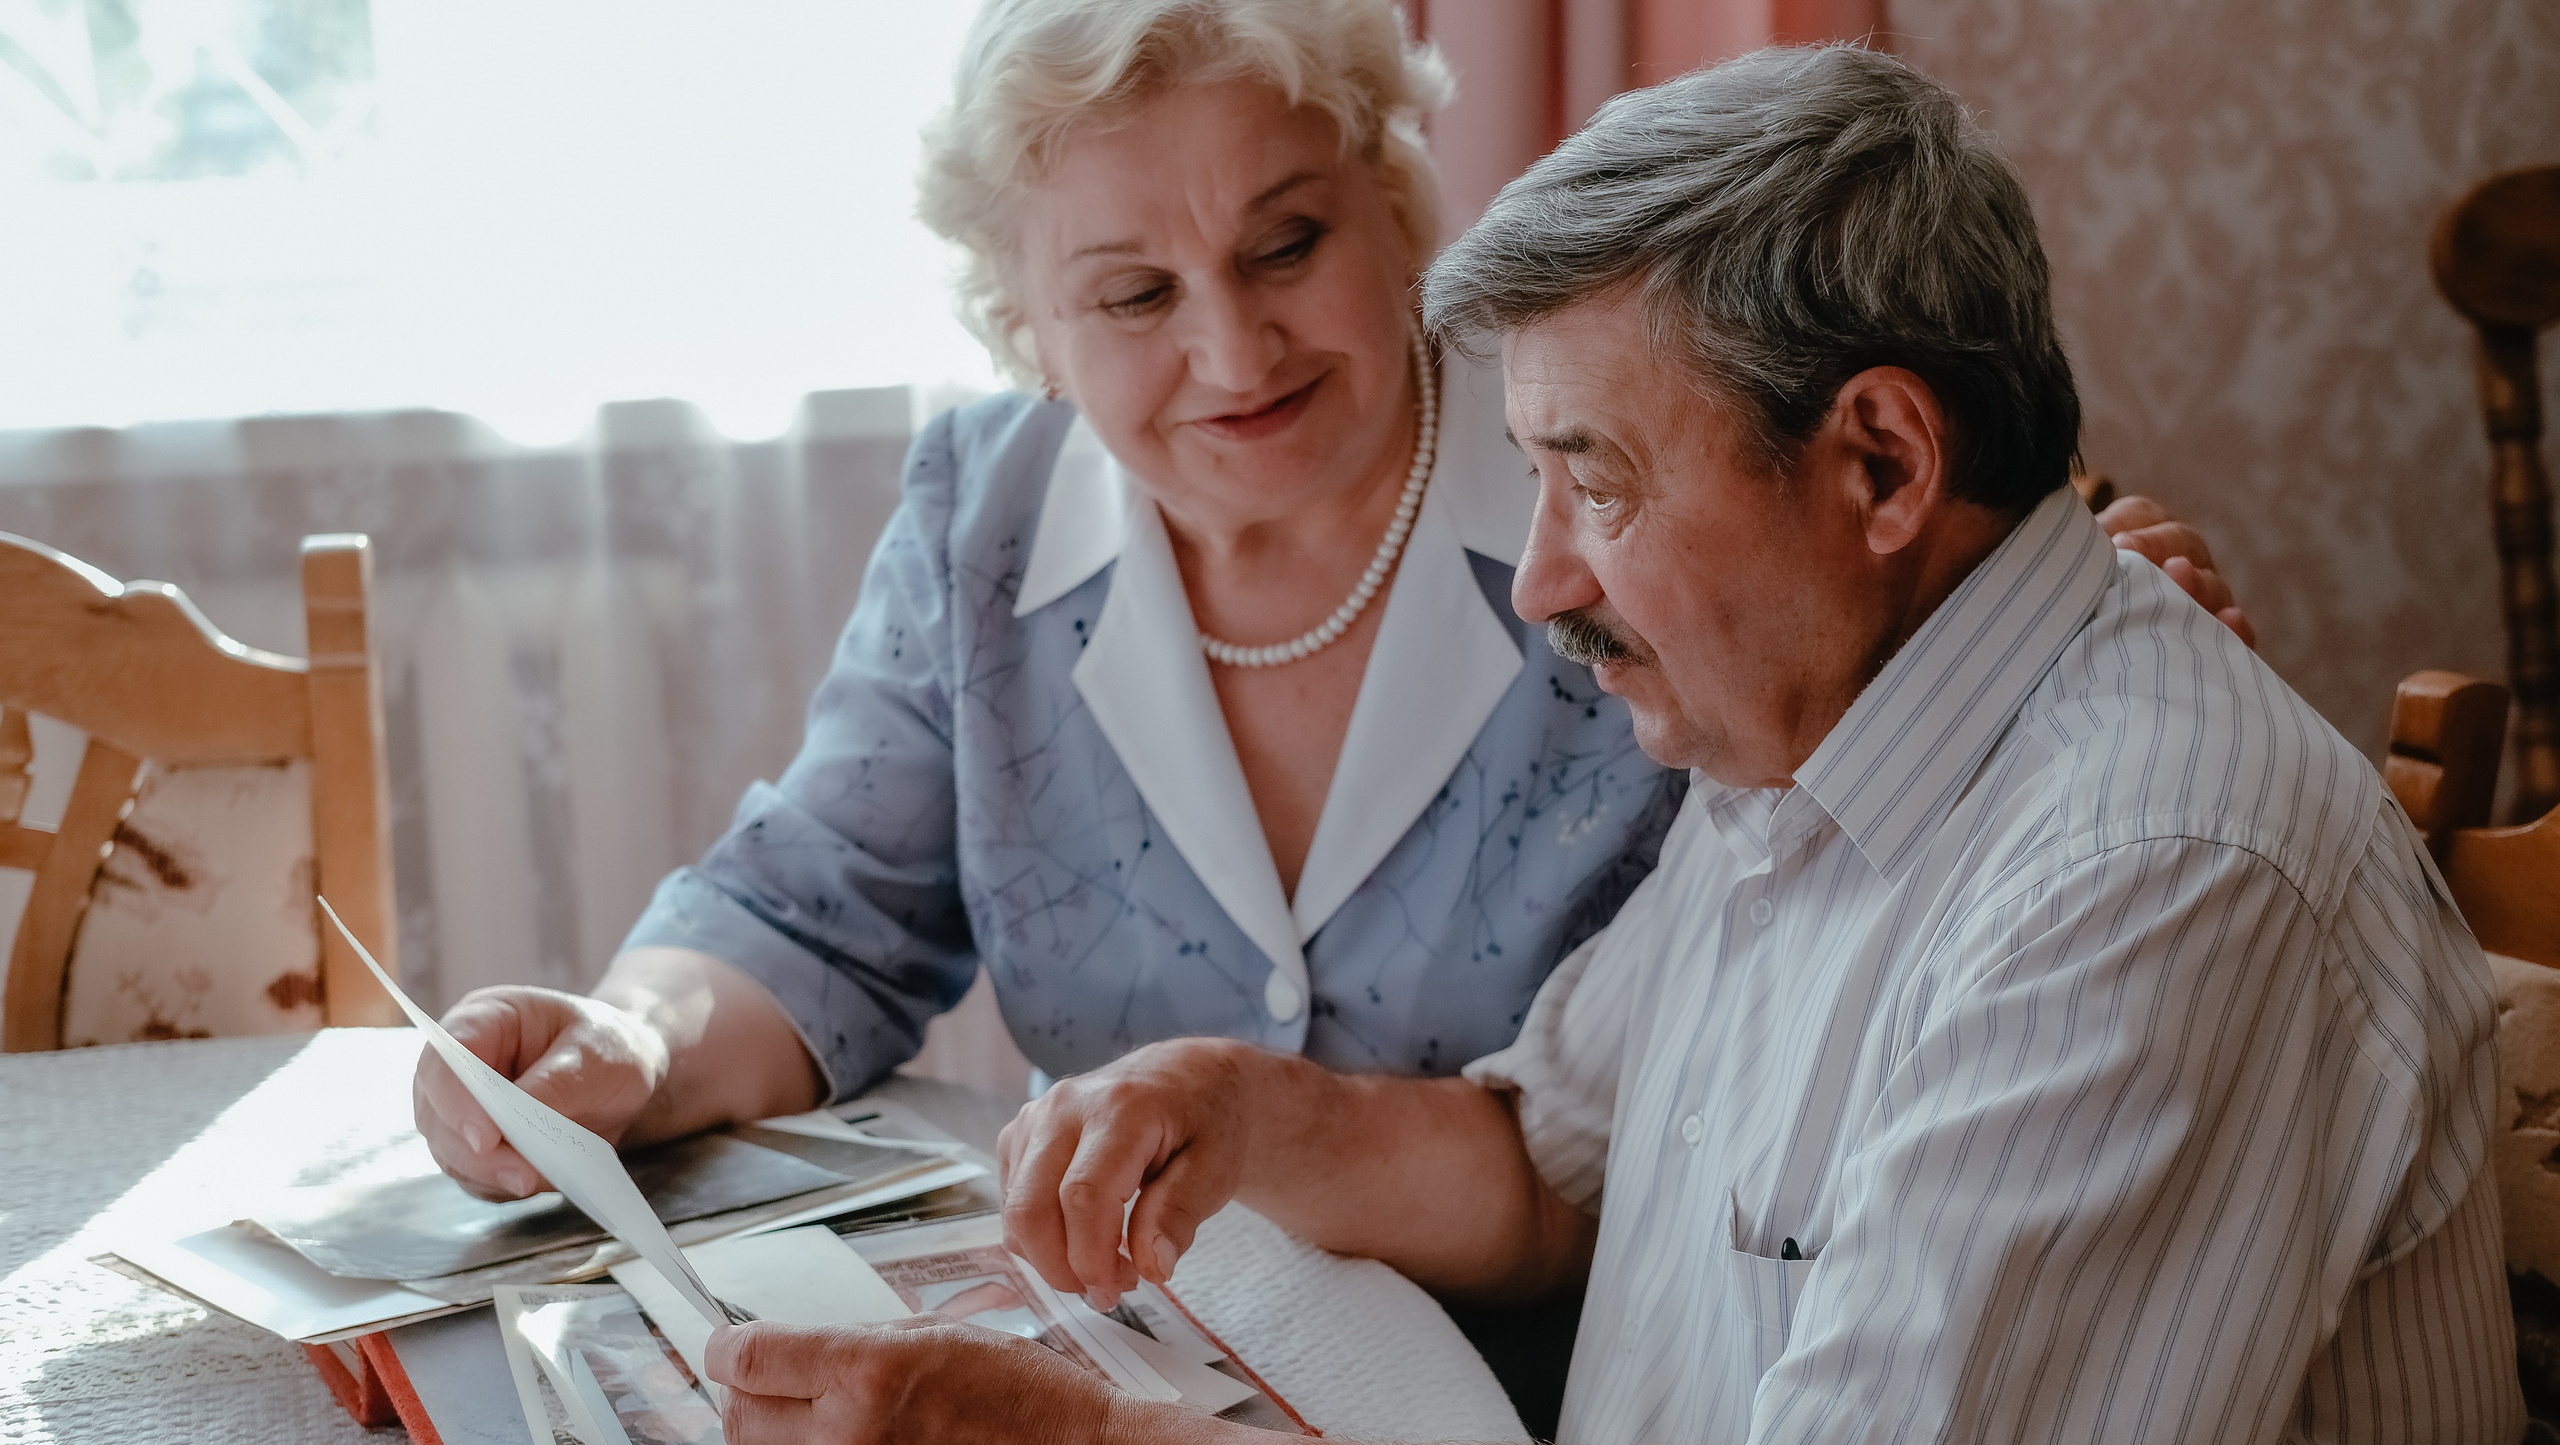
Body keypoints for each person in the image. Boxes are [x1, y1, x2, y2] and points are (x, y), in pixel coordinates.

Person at [705, 45, 2549, 1445]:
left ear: (1883, 460)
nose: (1544, 581)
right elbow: (1545, 1169)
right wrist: (1235, 1110)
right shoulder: (1802, 727)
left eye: (1595, 482)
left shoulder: (2151, 864)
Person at [410, 0, 2244, 1223]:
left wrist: (2060, 617)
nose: (1234, 349)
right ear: (1022, 323)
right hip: (1164, 1371)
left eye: (1286, 245)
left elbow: (1931, 630)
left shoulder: (1624, 489)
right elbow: (814, 910)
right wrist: (631, 1042)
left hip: (1595, 1391)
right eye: (1131, 295)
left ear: (1395, 197)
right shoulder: (987, 514)